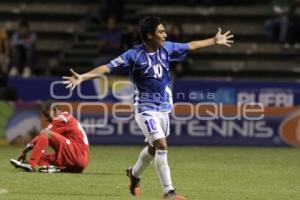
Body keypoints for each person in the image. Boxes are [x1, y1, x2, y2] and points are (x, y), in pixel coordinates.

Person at [62, 16, 233, 199]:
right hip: (145, 109)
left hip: (164, 108)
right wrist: (83, 77)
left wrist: (214, 40)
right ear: (150, 35)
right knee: (161, 144)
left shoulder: (167, 49)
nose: (165, 35)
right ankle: (169, 192)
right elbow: (107, 67)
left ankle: (134, 174)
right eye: (161, 32)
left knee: (153, 148)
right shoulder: (133, 56)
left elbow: (190, 45)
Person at [10, 102, 89, 173]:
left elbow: (44, 133)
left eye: (47, 115)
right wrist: (26, 151)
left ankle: (31, 165)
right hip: (75, 164)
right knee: (40, 156)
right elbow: (41, 137)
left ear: (55, 110)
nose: (48, 119)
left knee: (45, 132)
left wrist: (24, 151)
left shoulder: (63, 118)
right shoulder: (66, 118)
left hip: (77, 155)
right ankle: (55, 168)